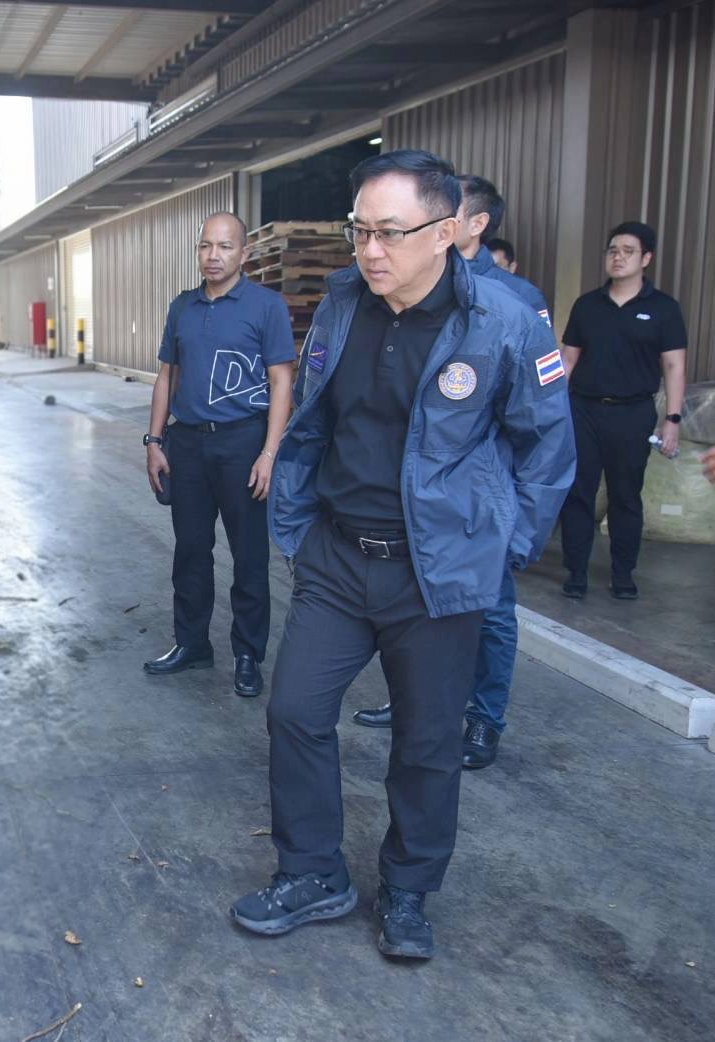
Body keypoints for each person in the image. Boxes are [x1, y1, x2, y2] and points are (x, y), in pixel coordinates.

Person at [230, 150, 574, 961]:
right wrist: (303, 524)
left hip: (440, 573)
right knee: (294, 713)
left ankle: (409, 890)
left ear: (447, 233)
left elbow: (549, 449)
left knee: (425, 743)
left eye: (388, 233)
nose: (369, 250)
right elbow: (317, 420)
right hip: (341, 560)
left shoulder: (507, 324)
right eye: (359, 232)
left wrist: (504, 548)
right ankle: (315, 872)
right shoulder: (345, 304)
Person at [351, 174, 554, 770]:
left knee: (489, 614)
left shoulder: (513, 303)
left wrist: (511, 537)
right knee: (410, 619)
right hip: (413, 508)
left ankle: (484, 718)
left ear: (469, 225)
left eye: (448, 213)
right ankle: (410, 700)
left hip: (476, 513)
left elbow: (542, 432)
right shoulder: (398, 297)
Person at [144, 212, 296, 698]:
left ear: (244, 253)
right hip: (187, 443)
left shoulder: (266, 306)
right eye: (206, 246)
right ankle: (192, 643)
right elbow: (167, 375)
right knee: (190, 550)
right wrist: (154, 442)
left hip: (242, 442)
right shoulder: (182, 307)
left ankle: (248, 653)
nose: (213, 256)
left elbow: (281, 382)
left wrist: (269, 453)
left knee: (249, 555)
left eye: (225, 247)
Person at [557, 221, 688, 599]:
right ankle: (576, 572)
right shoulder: (587, 305)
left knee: (625, 496)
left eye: (628, 251)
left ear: (646, 258)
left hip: (633, 414)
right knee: (578, 492)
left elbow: (674, 367)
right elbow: (567, 360)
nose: (618, 257)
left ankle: (623, 573)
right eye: (613, 250)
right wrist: (551, 410)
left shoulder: (663, 309)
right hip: (582, 410)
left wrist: (673, 420)